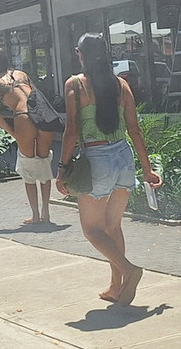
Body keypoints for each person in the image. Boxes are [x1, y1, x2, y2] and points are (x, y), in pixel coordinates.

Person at [60, 33, 162, 306]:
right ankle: (116, 287)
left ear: (80, 53)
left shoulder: (76, 85)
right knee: (112, 226)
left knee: (92, 229)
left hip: (97, 158)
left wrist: (62, 168)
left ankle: (129, 270)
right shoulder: (121, 86)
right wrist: (147, 170)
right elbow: (135, 130)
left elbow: (71, 130)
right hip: (123, 157)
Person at [0, 47, 56, 225]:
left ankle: (35, 215)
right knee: (44, 162)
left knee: (28, 167)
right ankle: (46, 212)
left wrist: (15, 134)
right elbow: (36, 95)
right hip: (41, 115)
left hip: (22, 117)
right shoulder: (22, 74)